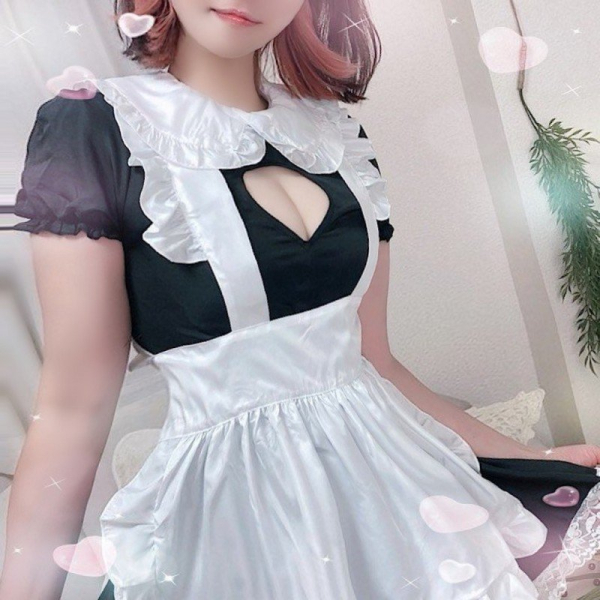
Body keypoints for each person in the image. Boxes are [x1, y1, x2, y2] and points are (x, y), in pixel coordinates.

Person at [1, 0, 599, 598]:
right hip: (235, 528)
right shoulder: (92, 127)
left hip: (398, 503)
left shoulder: (334, 132)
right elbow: (71, 412)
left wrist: (534, 458)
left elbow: (374, 362)